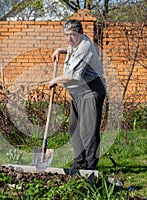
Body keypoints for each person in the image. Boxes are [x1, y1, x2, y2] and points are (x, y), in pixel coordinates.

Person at [49, 19, 106, 170]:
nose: (69, 38)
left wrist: (55, 80)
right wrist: (61, 50)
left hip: (90, 91)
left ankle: (90, 167)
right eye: (66, 35)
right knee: (74, 128)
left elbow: (73, 76)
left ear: (80, 33)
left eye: (72, 35)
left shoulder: (85, 47)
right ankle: (78, 163)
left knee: (88, 130)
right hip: (78, 93)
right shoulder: (78, 42)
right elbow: (72, 49)